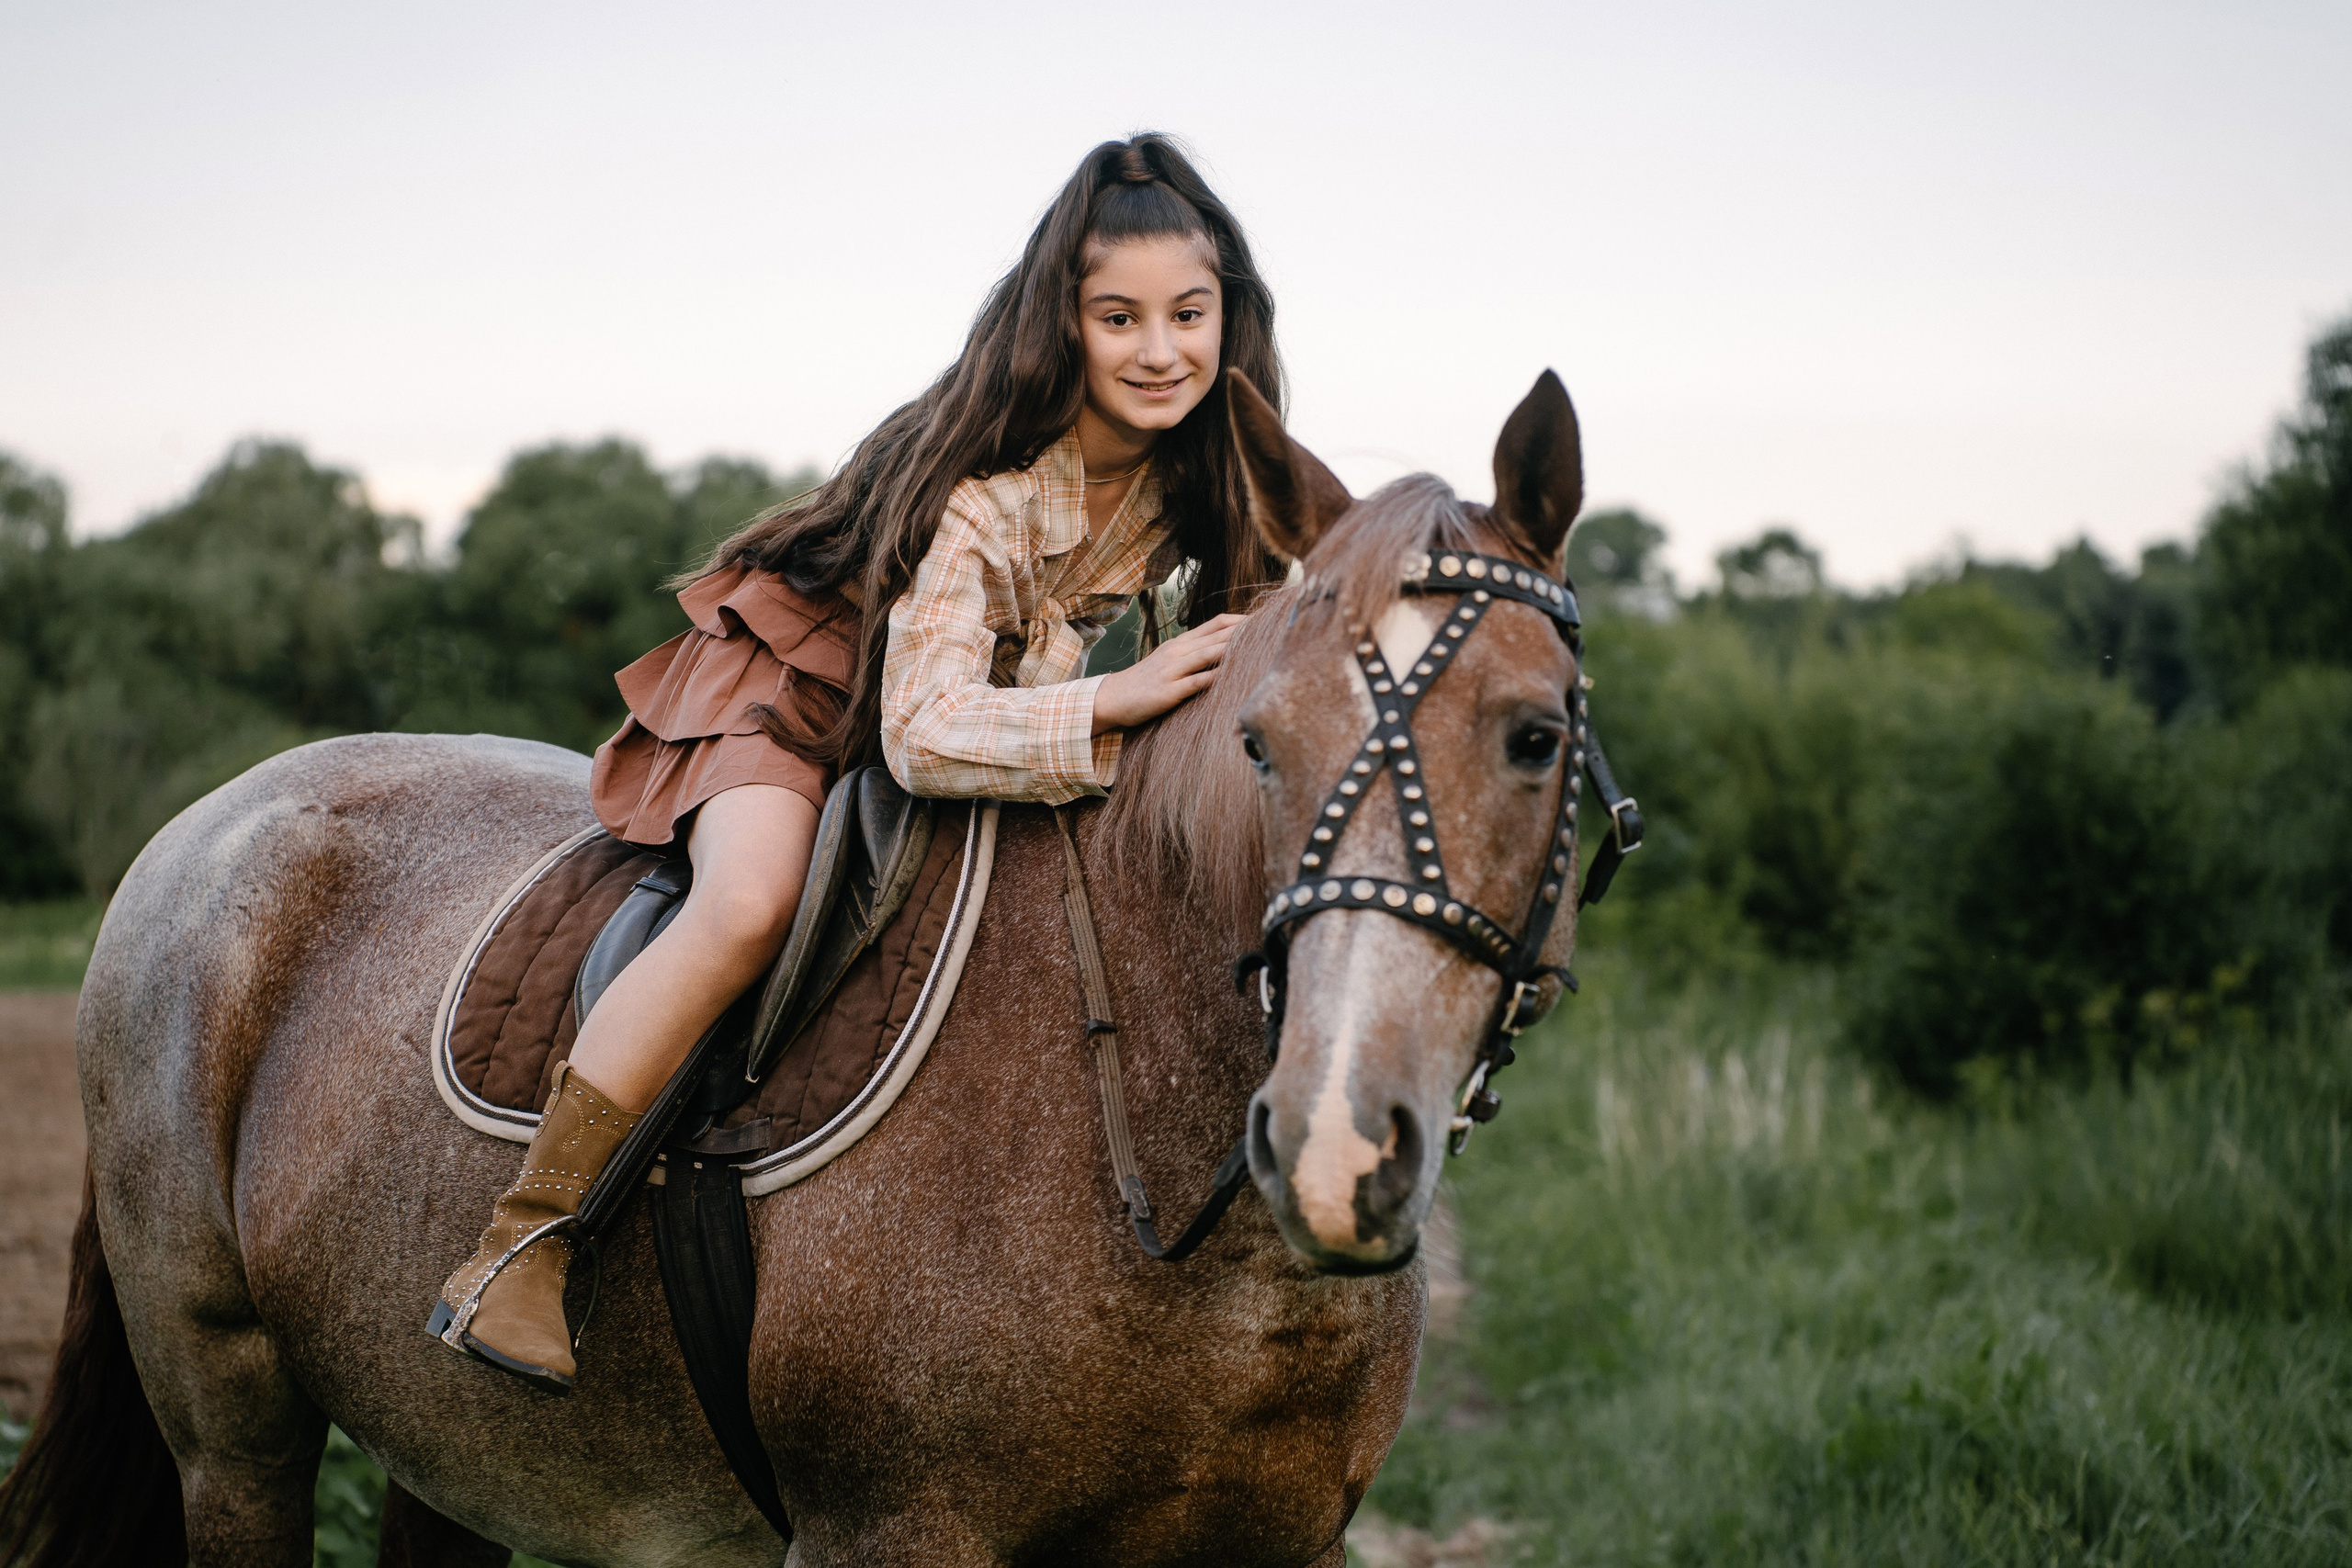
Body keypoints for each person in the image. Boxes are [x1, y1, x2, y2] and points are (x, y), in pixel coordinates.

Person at [432, 134, 1290, 1393]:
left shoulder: (1199, 470)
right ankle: (523, 1246)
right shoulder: (990, 491)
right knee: (747, 905)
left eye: (1188, 314)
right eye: (1120, 317)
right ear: (1066, 322)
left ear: (1230, 317)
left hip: (958, 696)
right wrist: (1112, 700)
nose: (1160, 350)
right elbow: (925, 727)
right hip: (802, 688)